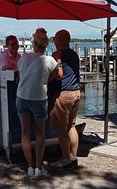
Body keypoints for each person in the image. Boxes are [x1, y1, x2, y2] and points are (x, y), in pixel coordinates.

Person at [16, 28, 62, 177]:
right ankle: (38, 168)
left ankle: (30, 166)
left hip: (22, 97)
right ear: (46, 45)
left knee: (25, 133)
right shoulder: (50, 60)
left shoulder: (23, 58)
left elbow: (23, 75)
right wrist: (59, 62)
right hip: (39, 99)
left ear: (34, 44)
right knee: (40, 134)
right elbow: (59, 76)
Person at [48, 29, 81, 170]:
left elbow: (55, 74)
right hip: (76, 92)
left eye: (55, 38)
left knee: (61, 129)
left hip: (64, 94)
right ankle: (73, 156)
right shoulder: (74, 54)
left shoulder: (58, 55)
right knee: (71, 126)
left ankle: (65, 159)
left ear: (60, 40)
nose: (54, 41)